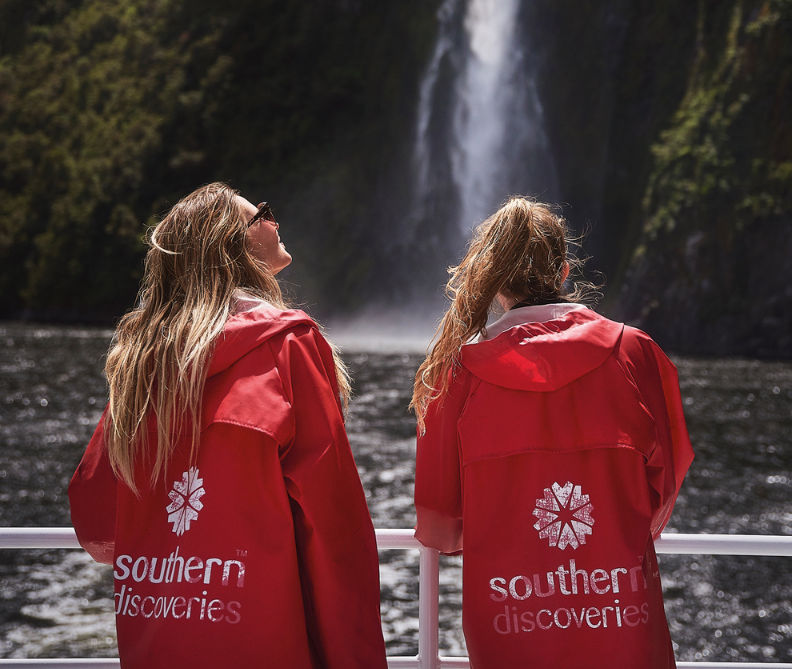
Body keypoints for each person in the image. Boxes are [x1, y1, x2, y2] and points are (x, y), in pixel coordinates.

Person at [69, 182, 387, 669]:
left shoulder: (141, 362)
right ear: (230, 245)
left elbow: (94, 516)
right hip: (262, 638)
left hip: (157, 636)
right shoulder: (287, 345)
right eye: (261, 213)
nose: (274, 220)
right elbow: (333, 523)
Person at [412, 196, 693, 669]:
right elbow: (666, 478)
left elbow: (440, 514)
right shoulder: (635, 353)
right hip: (620, 608)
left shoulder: (457, 374)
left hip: (509, 615)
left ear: (494, 280)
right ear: (563, 270)